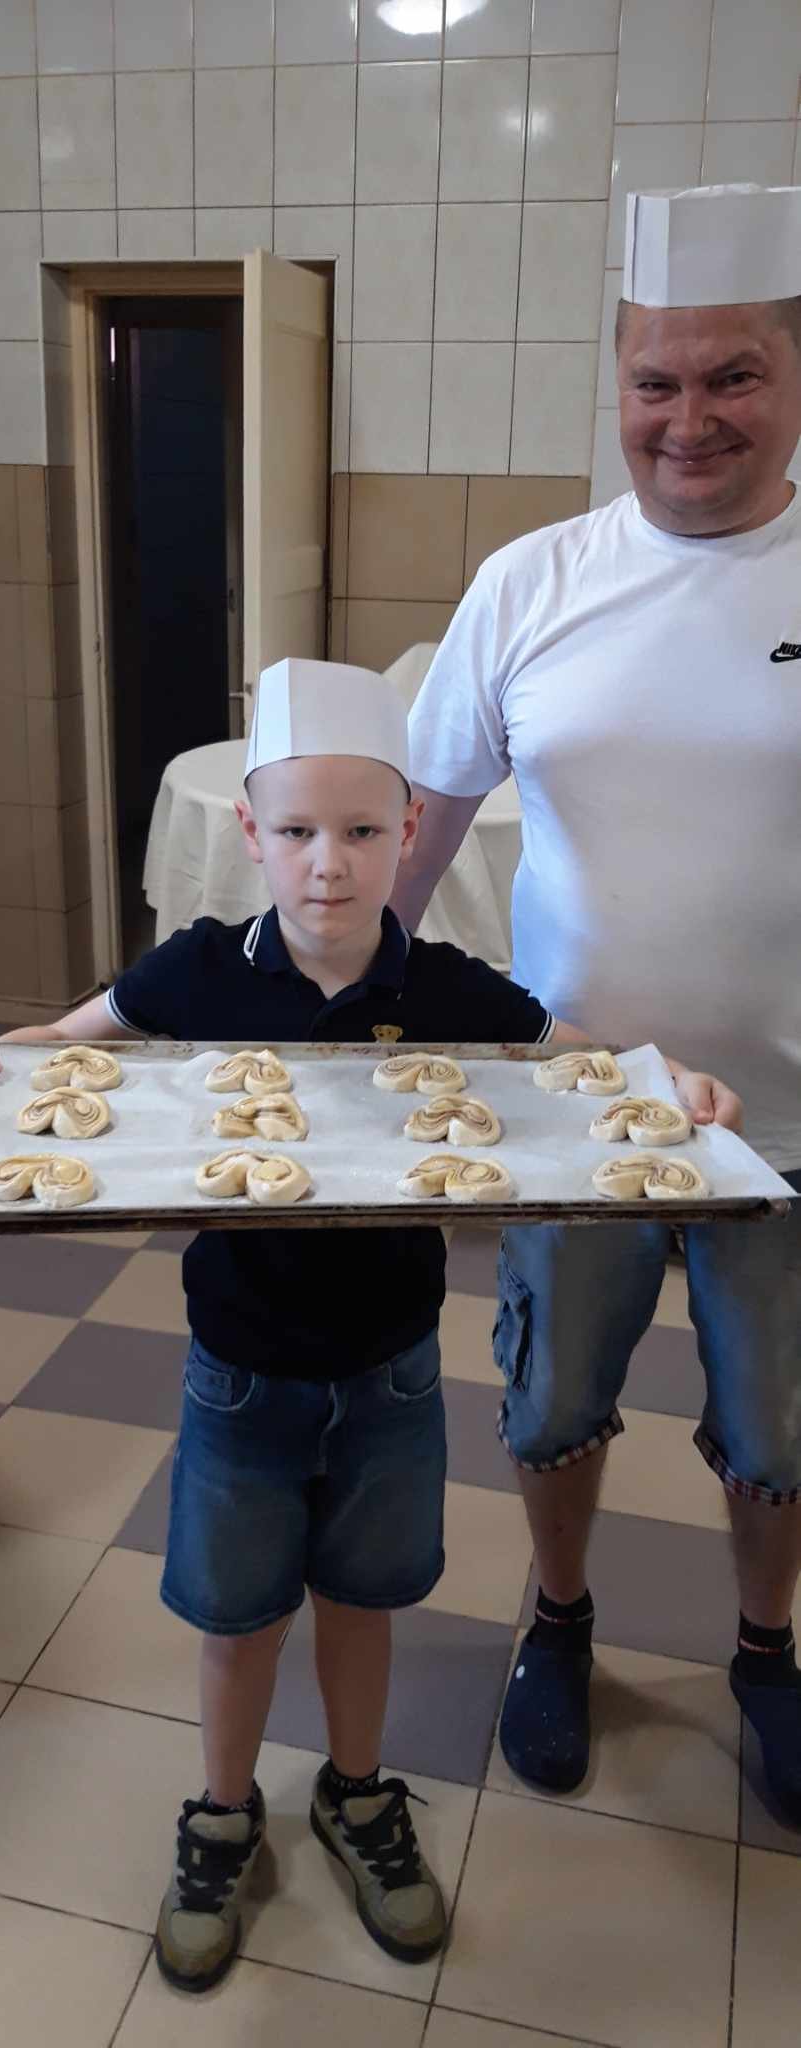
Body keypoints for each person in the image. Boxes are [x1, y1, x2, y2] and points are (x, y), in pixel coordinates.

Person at [0, 657, 729, 1991]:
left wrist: (677, 1084)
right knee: (238, 1615)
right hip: (240, 1372)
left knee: (365, 1601)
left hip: (392, 1373)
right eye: (298, 831)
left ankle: (358, 1794)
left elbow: (580, 1057)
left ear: (410, 833)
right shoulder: (202, 971)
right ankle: (222, 1813)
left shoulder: (449, 988)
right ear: (250, 834)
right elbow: (68, 1046)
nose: (328, 864)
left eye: (362, 831)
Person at [392, 181, 801, 1820]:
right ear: (619, 386)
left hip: (793, 1122)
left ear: (794, 375)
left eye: (734, 375)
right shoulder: (532, 582)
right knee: (556, 1402)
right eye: (656, 381)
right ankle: (558, 1622)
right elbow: (418, 825)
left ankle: (766, 1649)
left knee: (778, 1426)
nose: (689, 419)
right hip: (573, 1114)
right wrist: (335, 1013)